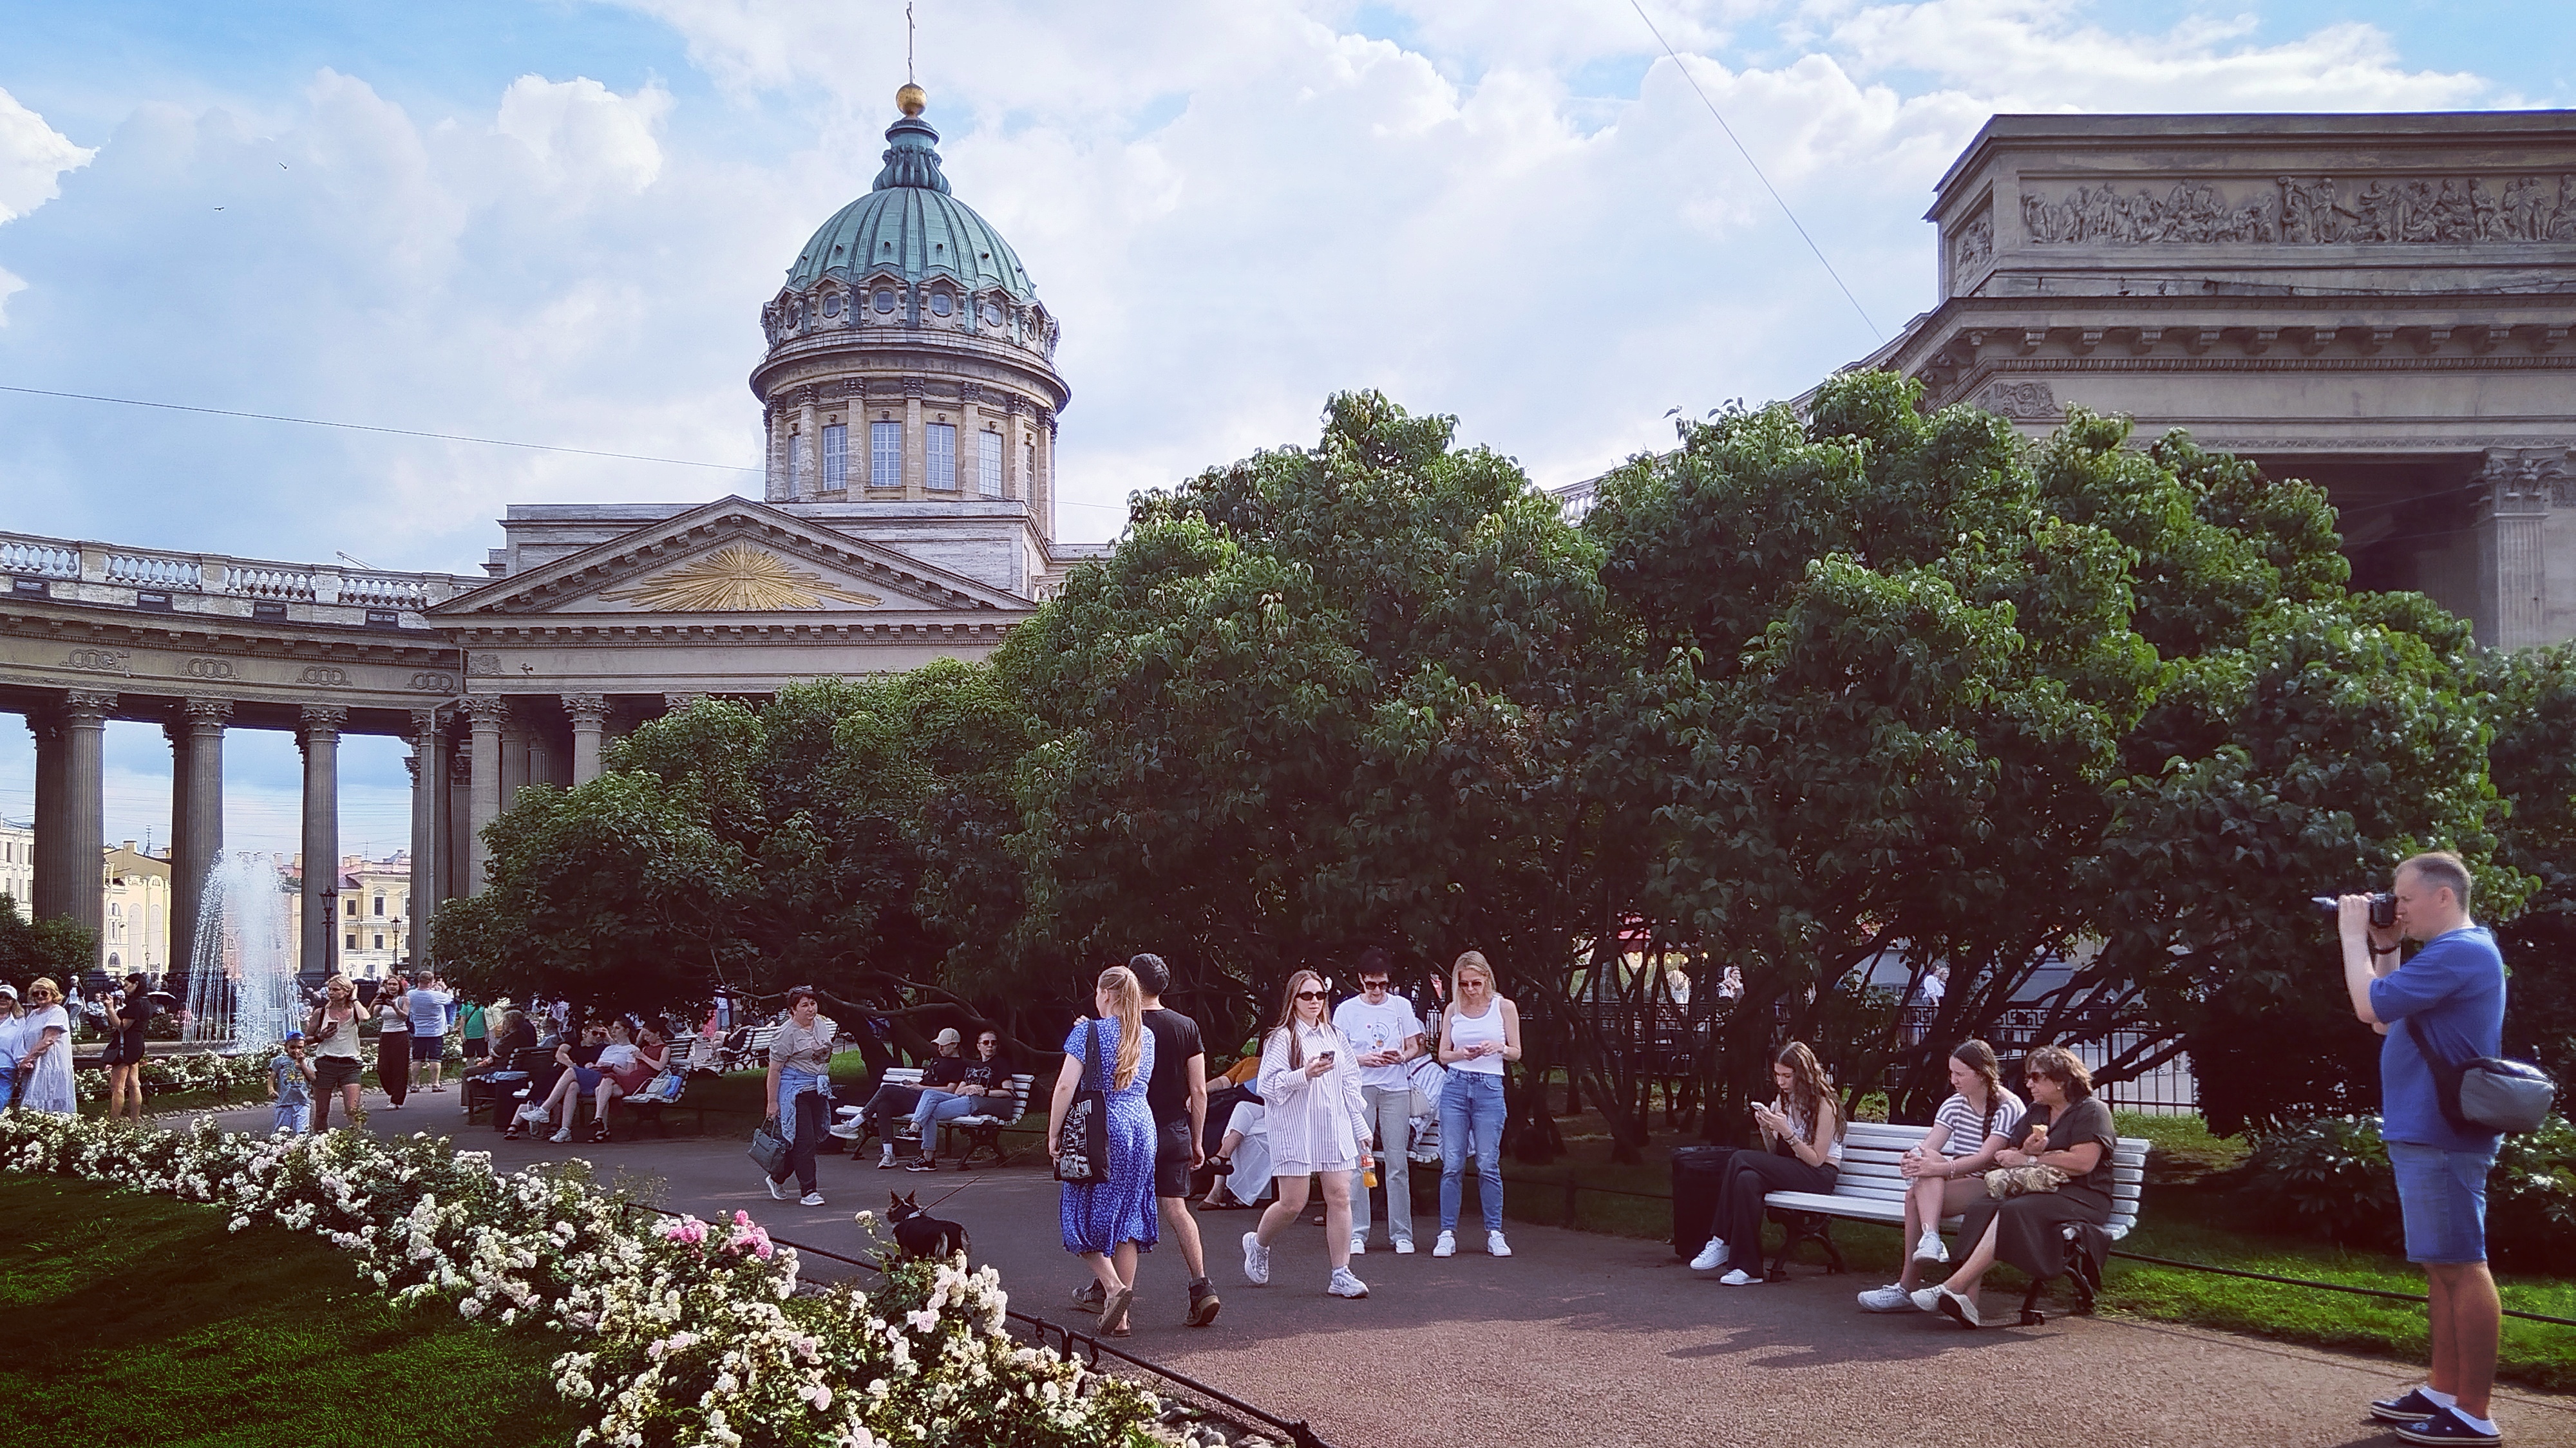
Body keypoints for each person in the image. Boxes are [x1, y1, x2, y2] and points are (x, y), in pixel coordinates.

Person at [2341, 852, 2510, 1447]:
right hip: (2426, 1129)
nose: (2397, 906)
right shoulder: (2450, 954)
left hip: (2442, 1134)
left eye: (2404, 897)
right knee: (2443, 1267)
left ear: (2443, 896)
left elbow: (2367, 1005)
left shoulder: (2462, 950)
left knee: (2463, 1266)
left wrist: (2350, 935)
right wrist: (2385, 946)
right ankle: (2443, 1388)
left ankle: (2474, 1412)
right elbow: (2387, 1021)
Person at [1909, 1045, 2116, 1328]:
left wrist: (2032, 1156)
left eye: (2036, 1077)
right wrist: (2025, 1152)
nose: (2028, 1083)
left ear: (2061, 1081)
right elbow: (2006, 1154)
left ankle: (1952, 1287)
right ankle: (1968, 1304)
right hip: (2040, 1190)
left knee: (2015, 1210)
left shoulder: (2091, 1111)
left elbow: (2083, 1163)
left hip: (2083, 1196)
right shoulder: (2038, 1111)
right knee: (1983, 1207)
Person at [1074, 954, 1221, 1327]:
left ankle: (1110, 1290)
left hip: (1126, 1131)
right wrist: (1198, 1140)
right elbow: (1199, 1091)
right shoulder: (1186, 1026)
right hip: (1172, 1130)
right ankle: (1201, 1286)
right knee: (1177, 1209)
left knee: (1117, 1212)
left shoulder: (1122, 1026)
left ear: (1130, 986)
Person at [1857, 1040, 2022, 1311]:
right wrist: (1913, 1160)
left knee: (1914, 1195)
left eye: (1960, 1074)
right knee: (1923, 1168)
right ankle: (1930, 1240)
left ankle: (1908, 1285)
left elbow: (1986, 1158)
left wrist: (1938, 1169)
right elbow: (1928, 1147)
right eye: (1951, 1073)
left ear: (1982, 1074)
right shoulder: (1954, 1104)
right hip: (1959, 1178)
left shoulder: (2008, 1106)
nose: (1953, 1080)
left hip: (1992, 1183)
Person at [1241, 968, 1375, 1300]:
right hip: (1295, 1128)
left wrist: (1361, 1129)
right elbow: (1268, 1086)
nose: (1314, 1002)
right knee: (1293, 1203)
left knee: (1340, 1196)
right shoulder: (1282, 1038)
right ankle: (1258, 1243)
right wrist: (1304, 1074)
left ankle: (1341, 1273)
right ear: (1294, 999)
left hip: (1333, 1126)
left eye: (1319, 995)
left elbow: (1349, 1084)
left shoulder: (1335, 1036)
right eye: (1307, 995)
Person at [1046, 964, 1158, 1336]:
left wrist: (1053, 1133)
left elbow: (1065, 1086)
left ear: (1105, 994)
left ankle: (1113, 1288)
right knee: (1126, 1218)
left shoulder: (1085, 1033)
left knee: (1077, 1214)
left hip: (1101, 1129)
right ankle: (1120, 1316)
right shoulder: (1147, 1037)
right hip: (1142, 1127)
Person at [1692, 1040, 1844, 1284]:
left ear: (1804, 1074)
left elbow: (1816, 1160)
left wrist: (1787, 1132)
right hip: (1795, 1168)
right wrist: (1766, 1129)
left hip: (1820, 1176)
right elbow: (1775, 1154)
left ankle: (1721, 1239)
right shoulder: (1783, 1100)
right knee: (1746, 1179)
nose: (1781, 1082)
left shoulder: (1824, 1104)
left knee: (1740, 1157)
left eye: (1787, 1076)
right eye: (1777, 1075)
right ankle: (1748, 1269)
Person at [1333, 948, 1426, 1255]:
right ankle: (1357, 1232)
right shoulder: (1346, 1010)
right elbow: (1337, 1053)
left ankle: (1401, 1232)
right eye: (1371, 984)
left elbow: (1415, 1046)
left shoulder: (1400, 1006)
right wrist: (1363, 1059)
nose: (1376, 991)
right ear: (1360, 980)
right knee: (1361, 1161)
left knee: (1397, 1162)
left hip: (1395, 1088)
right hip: (1360, 1089)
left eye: (1382, 985)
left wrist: (1402, 1055)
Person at [1432, 950, 1519, 1259]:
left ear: (1487, 979)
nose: (1471, 989)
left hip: (1489, 1086)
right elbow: (1443, 1054)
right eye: (1465, 983)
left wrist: (1498, 1047)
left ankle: (1495, 1232)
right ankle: (1447, 1233)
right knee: (1452, 1164)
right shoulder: (1452, 1009)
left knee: (1487, 1163)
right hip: (1456, 1084)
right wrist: (1462, 1054)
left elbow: (1516, 1051)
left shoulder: (1503, 1006)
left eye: (1476, 983)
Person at [762, 986, 838, 1206]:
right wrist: (773, 1102)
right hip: (795, 1091)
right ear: (792, 1010)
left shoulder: (822, 1024)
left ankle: (777, 1177)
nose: (810, 1009)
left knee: (810, 1140)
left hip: (818, 1088)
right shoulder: (786, 1034)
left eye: (812, 1004)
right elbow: (774, 1070)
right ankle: (809, 1192)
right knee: (805, 1142)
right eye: (804, 1005)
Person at [862, 1026, 968, 1168]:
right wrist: (915, 1084)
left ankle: (856, 1122)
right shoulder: (937, 1060)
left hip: (930, 1099)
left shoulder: (959, 1064)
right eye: (938, 1045)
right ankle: (888, 1153)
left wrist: (921, 1088)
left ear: (955, 1045)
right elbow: (927, 1081)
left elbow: (951, 1090)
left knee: (887, 1088)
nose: (940, 1049)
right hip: (919, 1096)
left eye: (943, 1045)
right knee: (883, 1106)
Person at [905, 1026, 1004, 1171]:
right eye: (986, 1043)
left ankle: (918, 1136)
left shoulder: (1000, 1064)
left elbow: (1009, 1092)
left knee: (929, 1104)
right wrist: (969, 1089)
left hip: (979, 1102)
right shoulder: (975, 1065)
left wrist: (985, 1091)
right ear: (978, 1046)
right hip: (964, 1098)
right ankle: (926, 1155)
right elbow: (959, 1091)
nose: (990, 1046)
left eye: (993, 1043)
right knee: (929, 1101)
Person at [520, 1019, 611, 1142]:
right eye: (595, 1033)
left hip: (593, 1076)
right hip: (575, 1077)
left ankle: (544, 1109)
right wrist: (571, 1064)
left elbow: (617, 1051)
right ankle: (565, 1130)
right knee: (572, 1086)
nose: (598, 1037)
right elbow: (560, 1053)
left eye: (601, 1034)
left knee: (570, 1073)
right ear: (585, 1032)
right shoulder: (574, 1042)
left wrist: (608, 1037)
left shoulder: (604, 1047)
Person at [305, 975, 367, 1130]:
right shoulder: (321, 1013)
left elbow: (366, 1017)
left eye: (335, 989)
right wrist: (321, 1036)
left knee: (353, 1111)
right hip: (326, 1063)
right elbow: (306, 1039)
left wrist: (355, 999)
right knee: (322, 1112)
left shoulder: (355, 1011)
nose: (330, 993)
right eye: (329, 989)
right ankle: (320, 1144)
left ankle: (357, 1145)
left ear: (346, 992)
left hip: (350, 1064)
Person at [13, 978, 74, 1116]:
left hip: (51, 1064)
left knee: (49, 1100)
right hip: (34, 1064)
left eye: (44, 993)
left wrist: (27, 1059)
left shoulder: (58, 1012)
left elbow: (49, 1040)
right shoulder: (34, 1014)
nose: (40, 996)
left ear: (53, 994)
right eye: (36, 994)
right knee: (32, 1100)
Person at [99, 972, 153, 1122]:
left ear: (136, 984)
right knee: (134, 1084)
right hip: (137, 1043)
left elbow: (122, 1026)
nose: (124, 988)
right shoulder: (145, 1003)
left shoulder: (136, 1004)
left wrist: (110, 1009)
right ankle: (134, 1121)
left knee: (118, 1086)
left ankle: (113, 1122)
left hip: (125, 1045)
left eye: (127, 985)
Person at [408, 970, 455, 1093]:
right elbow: (450, 999)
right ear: (431, 982)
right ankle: (435, 1084)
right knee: (435, 1059)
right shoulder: (436, 996)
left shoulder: (411, 994)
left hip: (418, 1030)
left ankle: (415, 1085)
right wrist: (444, 988)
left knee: (417, 1058)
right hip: (435, 1031)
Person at [373, 973, 412, 1109]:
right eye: (389, 984)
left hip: (400, 1035)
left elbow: (404, 1017)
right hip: (386, 1035)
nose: (392, 987)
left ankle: (396, 1099)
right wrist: (378, 1000)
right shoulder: (383, 1000)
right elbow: (372, 1013)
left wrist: (394, 1006)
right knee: (383, 1068)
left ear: (399, 986)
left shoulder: (404, 999)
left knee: (399, 1068)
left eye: (395, 984)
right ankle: (392, 1091)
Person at [269, 1032, 314, 1134]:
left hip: (303, 1101)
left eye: (300, 1047)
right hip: (285, 1102)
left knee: (303, 1133)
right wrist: (271, 1089)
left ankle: (301, 1148)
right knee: (282, 1133)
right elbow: (271, 1077)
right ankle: (279, 1149)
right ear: (286, 1047)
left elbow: (313, 1077)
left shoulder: (308, 1061)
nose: (296, 1051)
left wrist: (302, 1063)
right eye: (292, 1047)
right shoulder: (279, 1060)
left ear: (304, 1047)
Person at [0, 983, 23, 1111]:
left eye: (7, 997)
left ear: (13, 1002)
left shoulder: (19, 1022)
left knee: (1, 1100)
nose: (3, 999)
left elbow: (20, 1045)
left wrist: (21, 1065)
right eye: (0, 996)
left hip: (6, 1067)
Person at [458, 994, 493, 1075]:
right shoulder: (466, 1005)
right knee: (469, 1056)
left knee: (484, 1055)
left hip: (481, 1034)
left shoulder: (482, 1005)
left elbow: (486, 1019)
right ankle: (470, 1072)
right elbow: (463, 1019)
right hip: (469, 1034)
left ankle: (484, 1072)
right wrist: (462, 1033)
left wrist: (487, 1032)